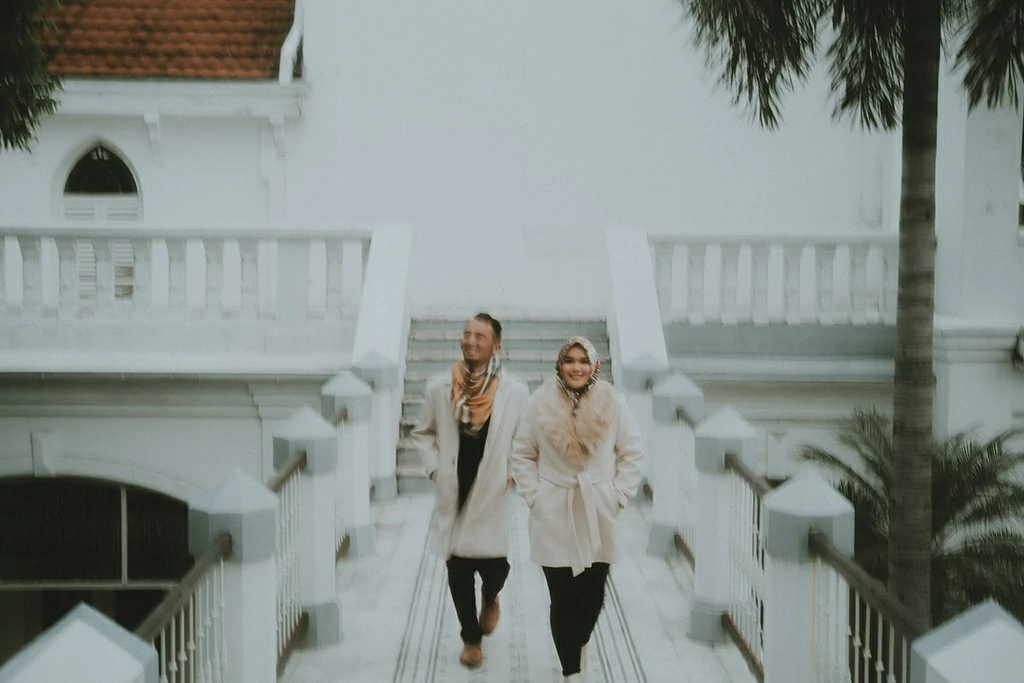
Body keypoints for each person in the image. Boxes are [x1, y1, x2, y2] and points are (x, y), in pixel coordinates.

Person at [510, 336, 644, 683]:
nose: (576, 367)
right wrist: (535, 496)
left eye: (584, 360)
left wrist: (618, 495)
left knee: (593, 595)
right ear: (560, 365)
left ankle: (577, 641)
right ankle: (571, 671)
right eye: (569, 360)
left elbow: (632, 451)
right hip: (553, 511)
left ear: (594, 365)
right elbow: (522, 453)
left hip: (598, 509)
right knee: (562, 598)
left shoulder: (613, 403)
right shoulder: (539, 404)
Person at [410, 313, 530, 668]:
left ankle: (491, 597)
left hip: (491, 490)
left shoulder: (515, 391)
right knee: (458, 570)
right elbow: (423, 432)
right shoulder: (439, 387)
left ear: (496, 345)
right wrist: (435, 469)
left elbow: (527, 439)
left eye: (480, 335)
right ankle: (471, 638)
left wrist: (513, 471)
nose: (470, 340)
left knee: (496, 567)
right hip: (455, 488)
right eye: (466, 334)